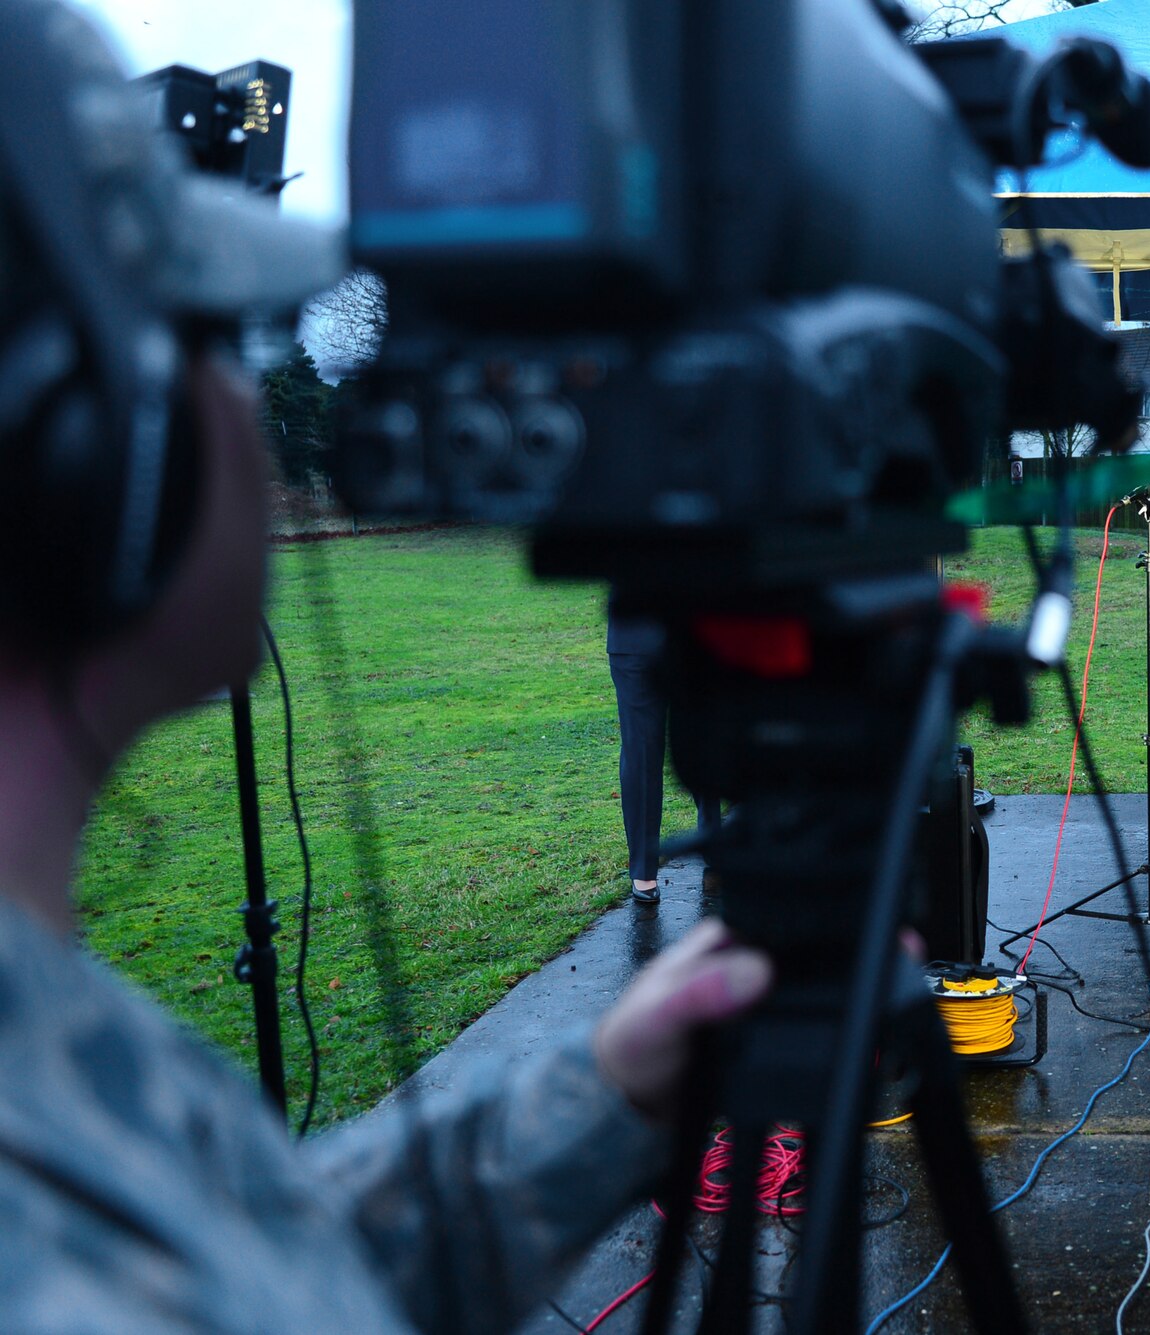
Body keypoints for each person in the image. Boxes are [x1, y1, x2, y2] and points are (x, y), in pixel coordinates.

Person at [0, 4, 769, 1329]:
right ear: (93, 441)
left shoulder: (50, 1026)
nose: (257, 414)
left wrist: (610, 1087)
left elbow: (262, 1261)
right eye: (224, 336)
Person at [608, 611, 720, 904]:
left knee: (700, 739)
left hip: (692, 637)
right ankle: (646, 869)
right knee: (645, 750)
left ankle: (711, 840)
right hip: (644, 638)